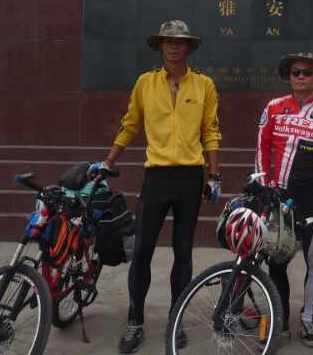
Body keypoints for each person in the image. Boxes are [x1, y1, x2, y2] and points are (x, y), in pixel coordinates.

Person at [93, 20, 222, 354]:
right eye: (168, 41)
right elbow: (130, 124)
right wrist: (108, 162)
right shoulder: (145, 83)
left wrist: (214, 175)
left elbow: (211, 131)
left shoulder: (204, 85)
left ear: (189, 47)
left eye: (180, 42)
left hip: (190, 178)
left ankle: (175, 321)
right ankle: (135, 321)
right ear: (160, 46)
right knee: (142, 250)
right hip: (157, 177)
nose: (174, 47)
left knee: (183, 250)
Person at [255, 52, 313, 347]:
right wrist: (263, 185)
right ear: (289, 77)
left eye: (307, 73)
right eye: (296, 72)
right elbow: (262, 147)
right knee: (276, 262)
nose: (301, 77)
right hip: (279, 199)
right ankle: (279, 319)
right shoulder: (274, 108)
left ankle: (308, 317)